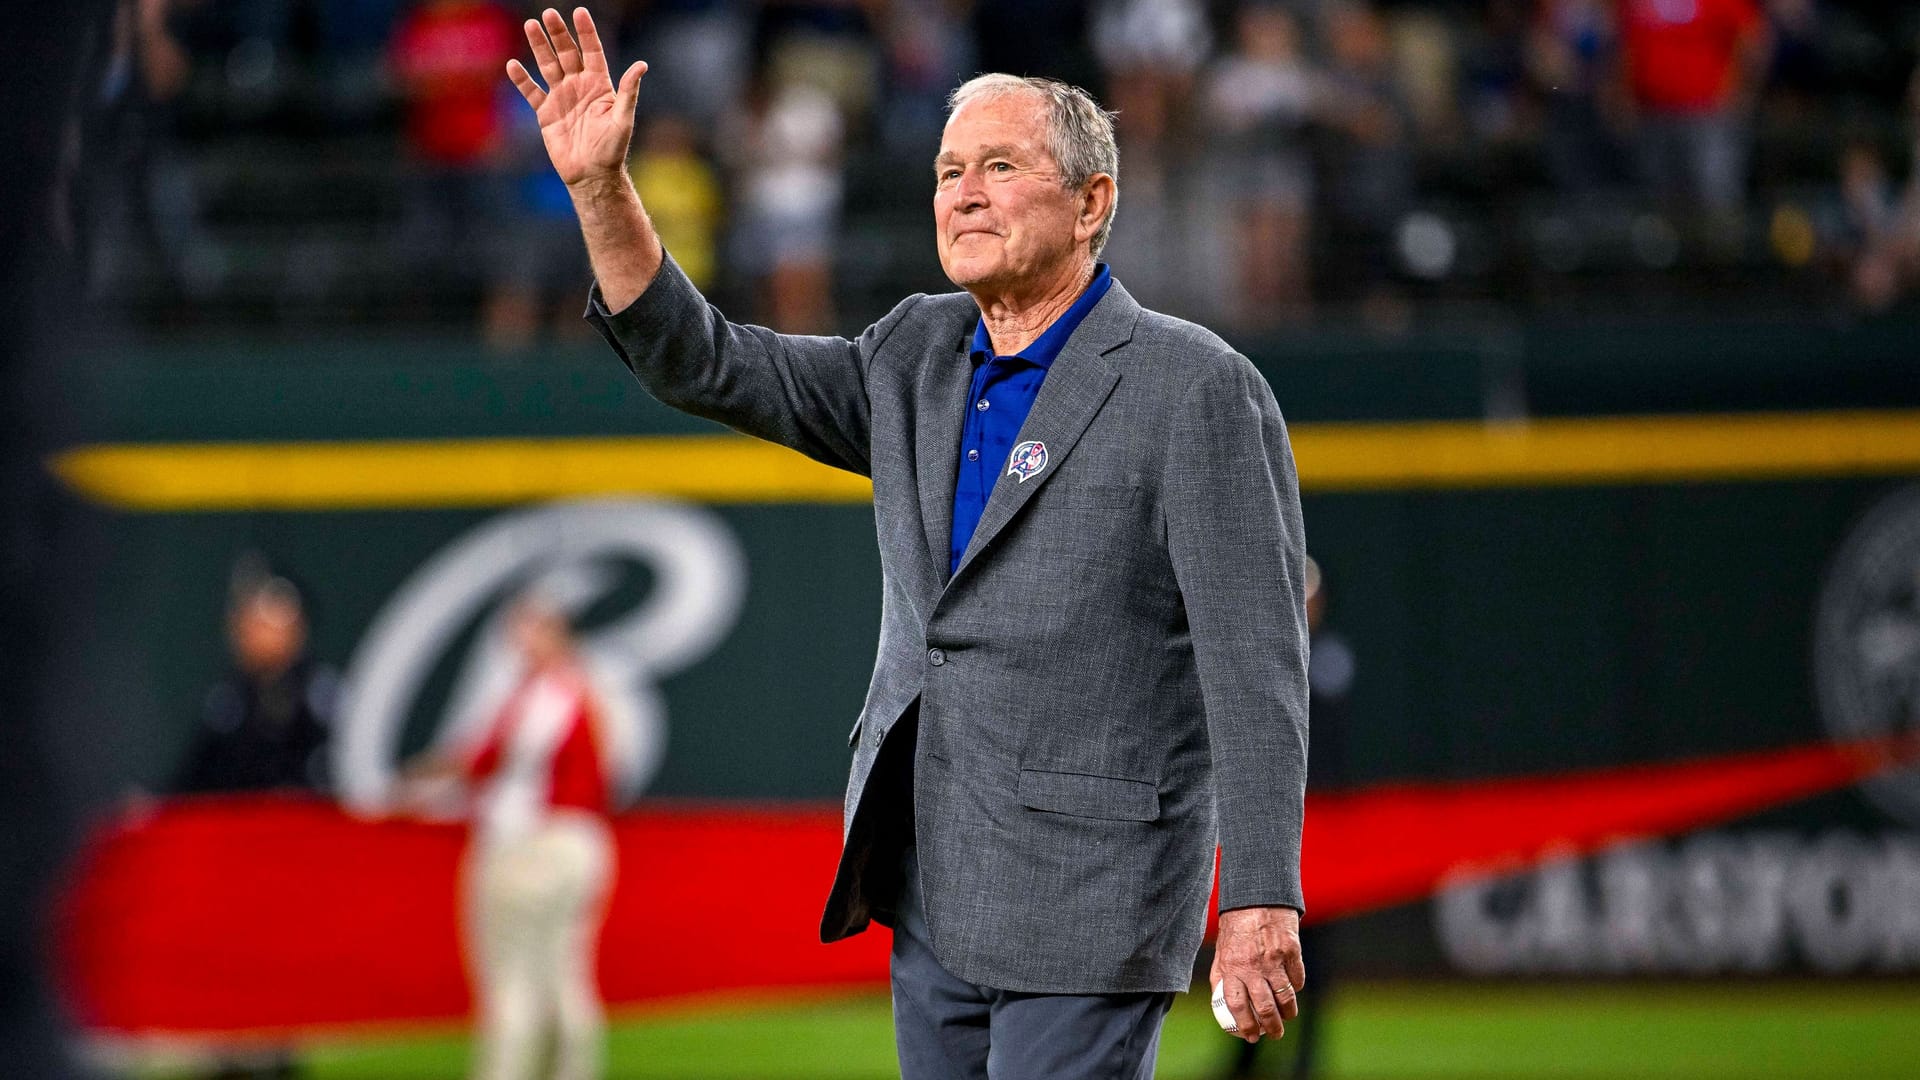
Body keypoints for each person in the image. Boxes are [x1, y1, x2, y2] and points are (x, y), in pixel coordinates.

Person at [504, 9, 1310, 1076]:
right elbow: (704, 362)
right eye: (946, 170)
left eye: (999, 166)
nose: (963, 192)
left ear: (1091, 202)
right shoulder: (915, 354)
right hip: (932, 886)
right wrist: (602, 190)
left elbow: (1255, 667)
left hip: (1091, 900)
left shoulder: (1195, 387)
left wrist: (1259, 897)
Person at [397, 593, 616, 1080]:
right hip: (581, 843)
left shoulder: (551, 692)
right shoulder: (586, 690)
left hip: (533, 844)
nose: (522, 641)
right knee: (563, 977)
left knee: (513, 984)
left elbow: (493, 760)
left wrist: (423, 777)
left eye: (534, 628)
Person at [173, 562, 337, 796]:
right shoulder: (230, 699)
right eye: (245, 621)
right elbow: (193, 778)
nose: (248, 631)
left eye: (263, 623)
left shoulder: (319, 693)